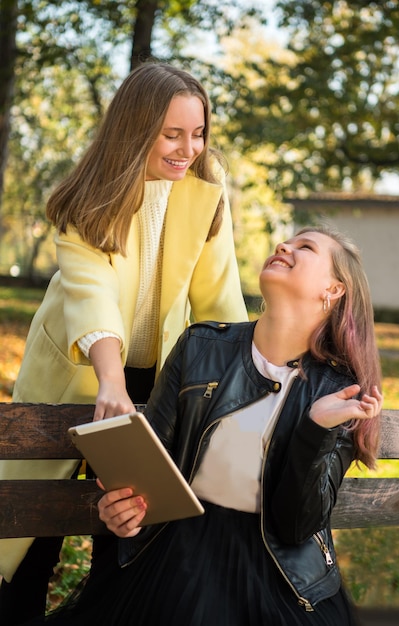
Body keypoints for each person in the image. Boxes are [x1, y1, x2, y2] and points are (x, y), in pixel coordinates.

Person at [25, 224, 382, 626]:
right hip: (176, 550)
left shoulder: (341, 393)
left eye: (306, 247)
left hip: (278, 574)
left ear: (333, 290)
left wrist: (315, 428)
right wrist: (122, 509)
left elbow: (297, 526)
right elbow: (150, 462)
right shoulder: (201, 346)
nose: (284, 245)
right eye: (287, 240)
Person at [0, 61, 248, 625]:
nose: (189, 148)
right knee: (34, 529)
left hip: (156, 379)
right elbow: (90, 296)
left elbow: (219, 304)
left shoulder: (208, 197)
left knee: (131, 522)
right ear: (137, 131)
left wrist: (242, 381)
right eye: (173, 134)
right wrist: (109, 377)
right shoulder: (88, 199)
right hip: (81, 368)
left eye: (199, 132)